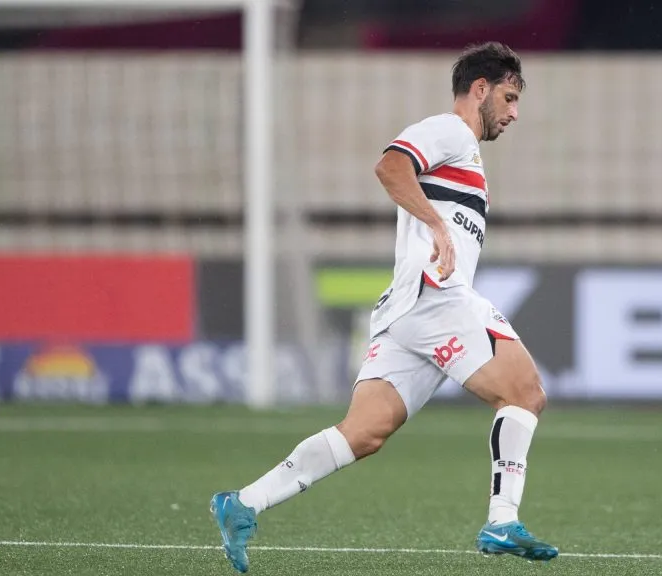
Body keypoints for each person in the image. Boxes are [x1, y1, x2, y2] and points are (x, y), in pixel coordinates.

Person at [210, 41, 557, 573]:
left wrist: (438, 224)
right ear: (480, 89)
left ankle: (243, 503)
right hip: (437, 296)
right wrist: (438, 226)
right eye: (509, 98)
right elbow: (391, 167)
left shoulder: (466, 152)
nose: (513, 113)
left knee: (363, 433)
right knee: (525, 393)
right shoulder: (451, 130)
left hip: (405, 311)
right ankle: (502, 519)